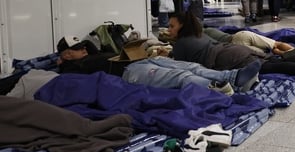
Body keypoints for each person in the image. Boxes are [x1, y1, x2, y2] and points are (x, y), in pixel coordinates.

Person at [168, 12, 295, 80]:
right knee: (274, 59)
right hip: (234, 50)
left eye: (171, 26)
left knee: (269, 66)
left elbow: (181, 68)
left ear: (183, 26)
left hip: (227, 58)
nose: (169, 30)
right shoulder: (199, 34)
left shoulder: (181, 44)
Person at [56, 35, 261, 92]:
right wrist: (62, 63)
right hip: (128, 74)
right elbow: (66, 78)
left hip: (140, 61)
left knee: (190, 67)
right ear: (65, 55)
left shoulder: (92, 54)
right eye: (77, 49)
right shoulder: (72, 68)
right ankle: (220, 90)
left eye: (83, 46)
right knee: (181, 77)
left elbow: (93, 50)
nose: (83, 49)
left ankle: (232, 77)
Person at [201, 27, 295, 58]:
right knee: (276, 43)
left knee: (265, 55)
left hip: (234, 45)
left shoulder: (202, 36)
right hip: (242, 34)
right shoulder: (210, 29)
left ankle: (283, 54)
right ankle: (294, 51)